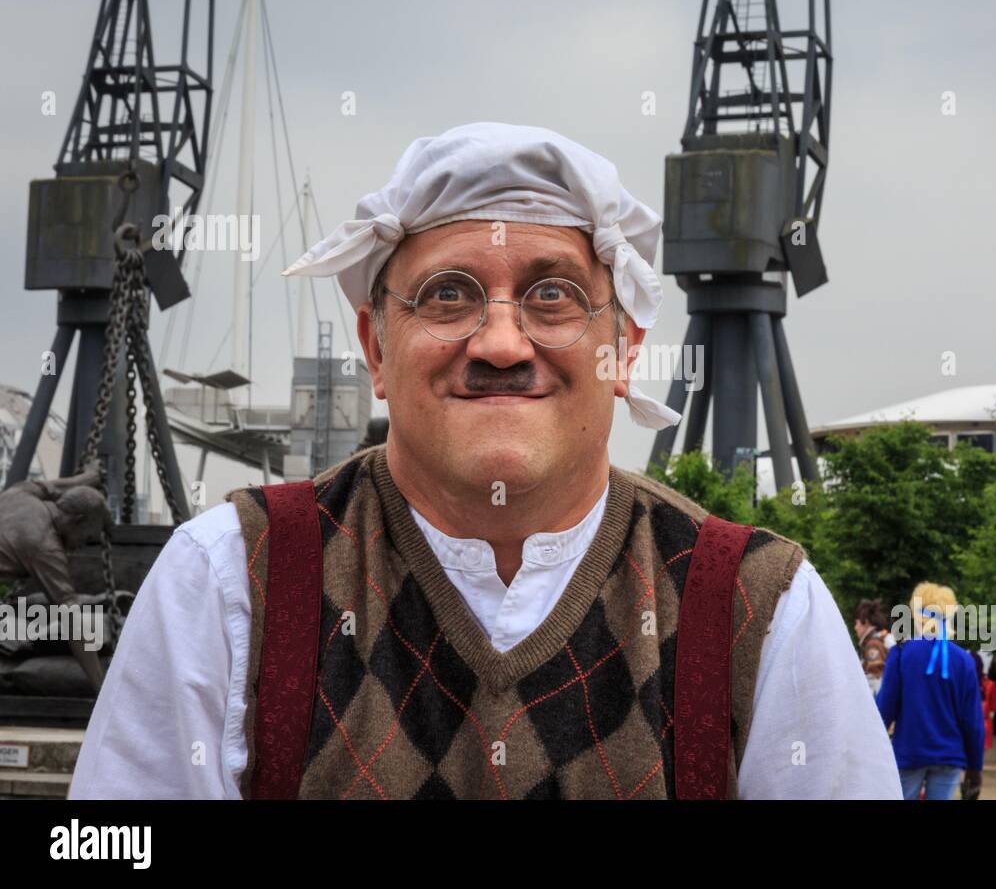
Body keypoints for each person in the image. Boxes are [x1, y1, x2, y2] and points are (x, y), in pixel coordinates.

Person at [69, 123, 902, 800]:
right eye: (448, 294)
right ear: (376, 346)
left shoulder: (760, 607)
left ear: (623, 347)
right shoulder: (227, 584)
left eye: (554, 294)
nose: (502, 342)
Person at [0, 464, 110, 690]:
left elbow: (56, 486)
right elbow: (73, 621)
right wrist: (102, 690)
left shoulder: (21, 494)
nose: (82, 545)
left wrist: (88, 477)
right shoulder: (45, 548)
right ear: (77, 520)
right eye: (87, 536)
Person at [876, 582, 983, 800]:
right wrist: (975, 767)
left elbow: (884, 710)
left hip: (909, 752)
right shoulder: (963, 660)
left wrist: (872, 747)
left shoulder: (901, 653)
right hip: (949, 754)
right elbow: (972, 721)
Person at [854, 598, 895, 696]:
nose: (855, 627)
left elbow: (876, 680)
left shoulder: (873, 645)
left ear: (866, 622)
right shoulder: (883, 638)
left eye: (857, 623)